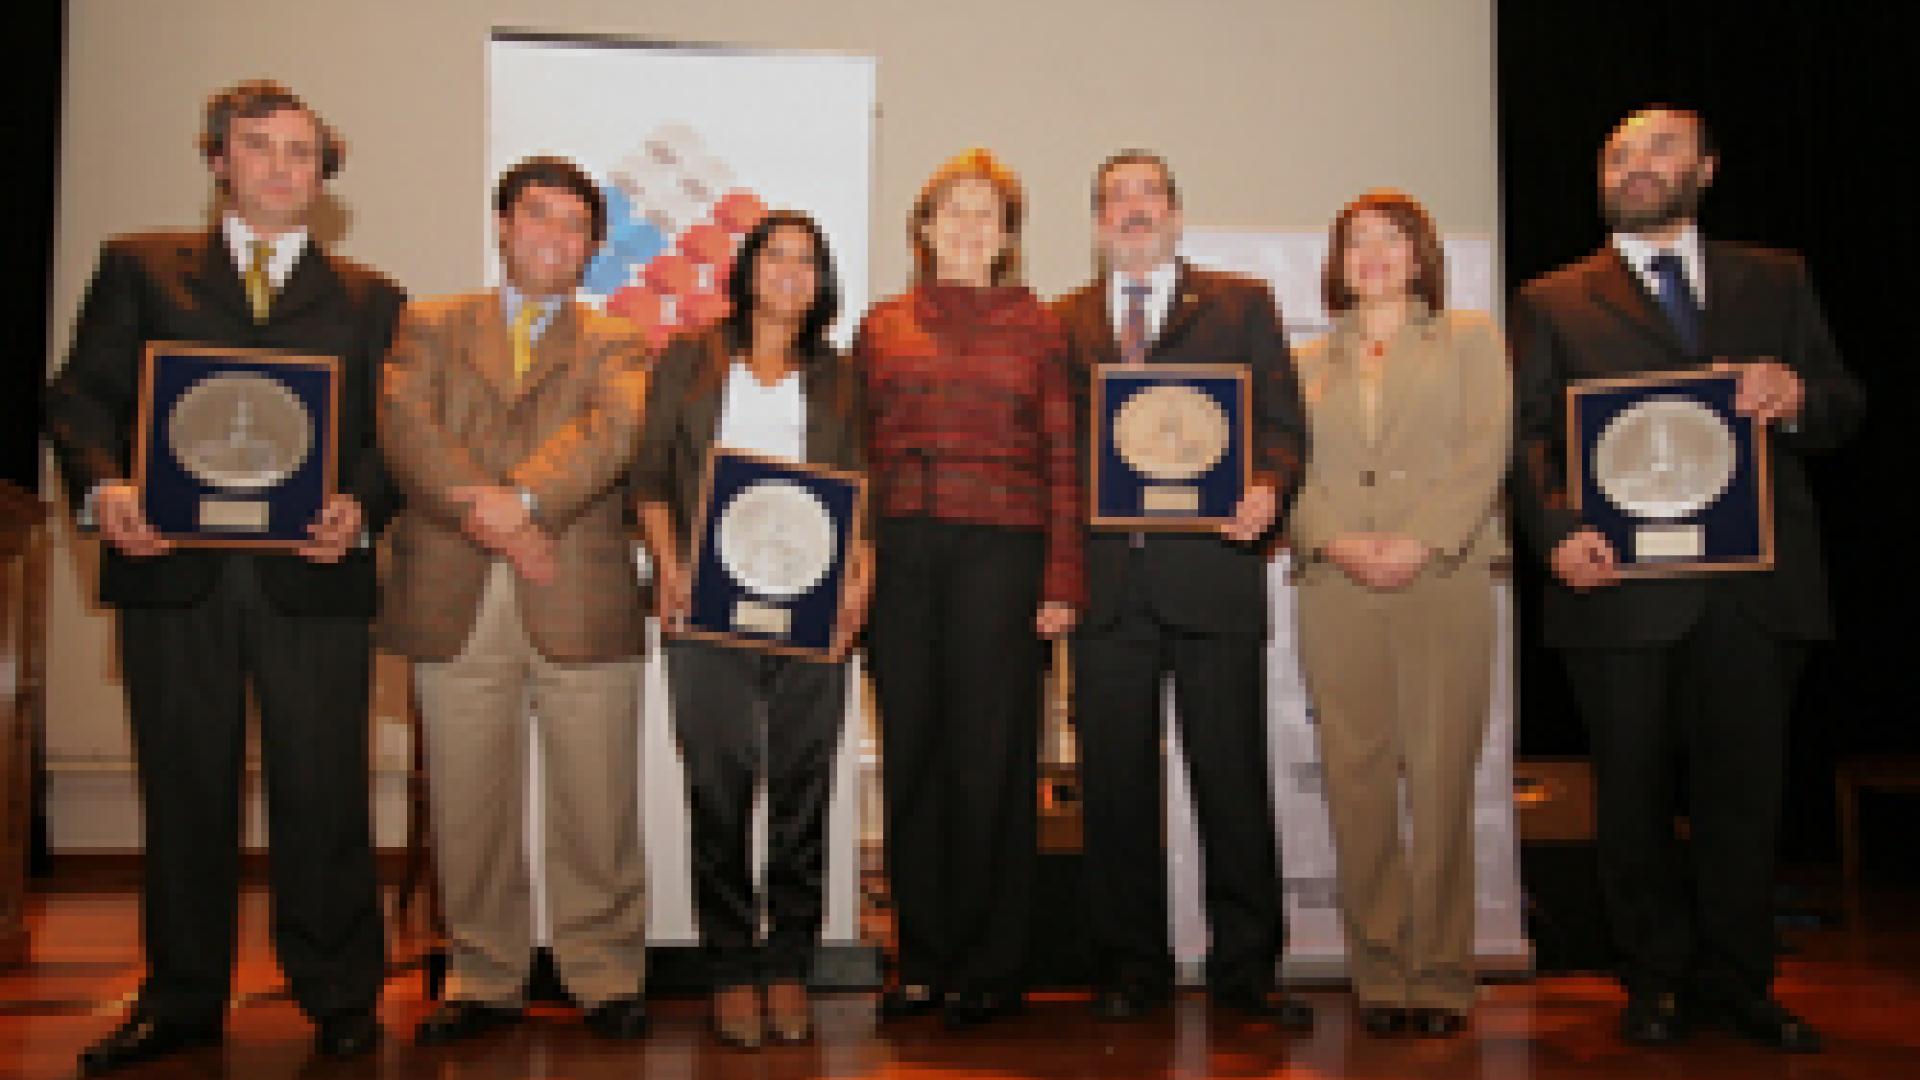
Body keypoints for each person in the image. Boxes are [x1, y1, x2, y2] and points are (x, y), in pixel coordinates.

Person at [44, 80, 399, 1073]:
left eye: (301, 152)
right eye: (260, 148)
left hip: (312, 584)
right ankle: (182, 1000)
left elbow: (384, 441)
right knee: (184, 788)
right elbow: (80, 398)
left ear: (324, 176)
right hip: (173, 574)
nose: (283, 166)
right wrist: (105, 485)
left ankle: (339, 996)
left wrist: (360, 507)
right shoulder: (139, 268)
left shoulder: (373, 299)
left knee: (324, 793)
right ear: (218, 162)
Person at [1511, 106, 1864, 1052]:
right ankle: (1654, 980)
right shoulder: (1552, 298)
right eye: (1617, 153)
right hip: (1619, 588)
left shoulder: (1776, 278)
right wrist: (1555, 536)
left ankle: (1741, 981)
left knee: (1744, 800)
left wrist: (1796, 398)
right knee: (1628, 801)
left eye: (1659, 148)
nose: (1636, 165)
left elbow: (1842, 402)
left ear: (1706, 167)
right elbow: (1531, 438)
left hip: (1754, 589)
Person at [379, 156, 652, 1046]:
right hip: (457, 590)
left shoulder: (616, 339)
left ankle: (604, 973)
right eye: (539, 217)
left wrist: (522, 503)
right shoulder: (428, 323)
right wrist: (492, 515)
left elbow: (609, 435)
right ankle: (484, 976)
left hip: (578, 589)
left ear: (593, 249)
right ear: (503, 224)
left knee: (597, 802)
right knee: (469, 801)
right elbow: (407, 429)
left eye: (576, 227)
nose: (556, 238)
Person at [1053, 150, 1310, 1026]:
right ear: (1095, 224)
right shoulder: (1065, 321)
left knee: (1233, 782)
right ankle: (1131, 968)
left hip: (1214, 577)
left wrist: (1269, 488)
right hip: (1108, 588)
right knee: (1116, 791)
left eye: (1147, 195)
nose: (1132, 209)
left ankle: (1248, 971)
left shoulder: (1241, 305)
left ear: (1175, 213)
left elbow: (1281, 424)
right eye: (1113, 198)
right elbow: (1059, 460)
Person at [855, 148, 1083, 1030]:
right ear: (922, 227)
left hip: (1004, 557)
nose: (967, 225)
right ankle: (924, 961)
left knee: (990, 765)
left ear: (1009, 236)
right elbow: (856, 455)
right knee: (911, 760)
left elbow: (1065, 459)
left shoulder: (1040, 327)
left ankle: (993, 964)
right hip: (904, 558)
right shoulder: (880, 327)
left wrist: (1062, 578)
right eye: (952, 209)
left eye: (986, 212)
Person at [632, 210, 872, 1048]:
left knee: (803, 787)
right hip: (709, 608)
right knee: (719, 785)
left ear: (822, 281)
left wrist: (858, 586)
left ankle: (789, 964)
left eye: (809, 261)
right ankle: (732, 965)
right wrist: (669, 566)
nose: (791, 273)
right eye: (776, 256)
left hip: (813, 611)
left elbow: (864, 495)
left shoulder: (843, 378)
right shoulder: (692, 361)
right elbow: (652, 477)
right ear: (748, 269)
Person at [1291, 190, 1511, 1037]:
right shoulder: (1306, 363)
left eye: (1390, 239)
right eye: (1356, 242)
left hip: (1442, 581)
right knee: (1357, 786)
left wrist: (1421, 541)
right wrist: (1335, 541)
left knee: (1444, 778)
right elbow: (1289, 466)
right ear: (1338, 264)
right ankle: (1379, 974)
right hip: (1337, 588)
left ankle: (1445, 975)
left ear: (1419, 256)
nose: (1373, 254)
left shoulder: (1467, 339)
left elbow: (1484, 449)